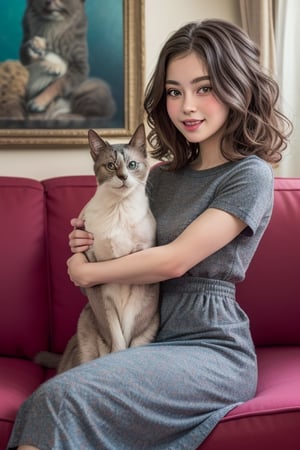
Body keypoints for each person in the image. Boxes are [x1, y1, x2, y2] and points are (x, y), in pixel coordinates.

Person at [9, 19, 292, 450]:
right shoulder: (158, 178)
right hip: (147, 334)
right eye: (174, 92)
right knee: (50, 399)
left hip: (208, 347)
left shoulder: (249, 175)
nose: (186, 107)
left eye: (204, 87)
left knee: (62, 399)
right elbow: (122, 248)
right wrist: (87, 250)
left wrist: (89, 274)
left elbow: (173, 260)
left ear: (237, 86)